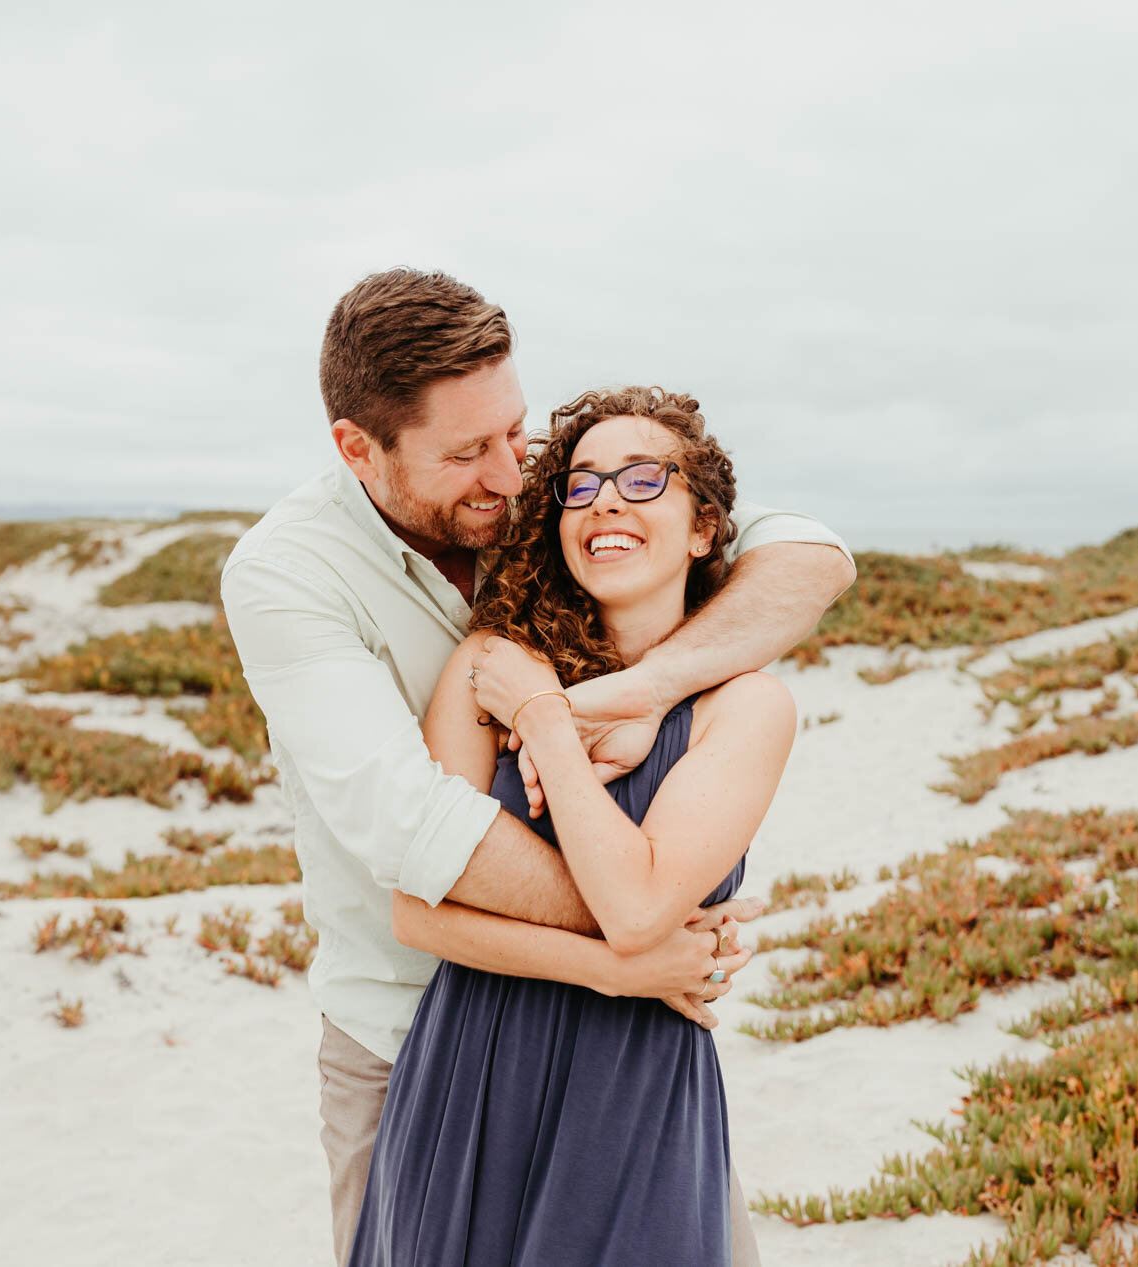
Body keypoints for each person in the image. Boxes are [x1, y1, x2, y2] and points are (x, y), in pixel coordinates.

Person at [219, 269, 855, 1265]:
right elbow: (413, 837)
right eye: (467, 451)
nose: (510, 476)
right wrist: (627, 944)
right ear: (358, 449)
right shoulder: (286, 577)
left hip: (635, 1056)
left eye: (515, 435)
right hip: (415, 1042)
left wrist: (645, 689)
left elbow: (807, 555)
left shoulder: (556, 506)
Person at [348, 386, 795, 1265]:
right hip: (473, 1069)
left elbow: (634, 907)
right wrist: (617, 970)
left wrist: (548, 722)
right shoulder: (490, 663)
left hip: (632, 1084)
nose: (608, 503)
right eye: (582, 486)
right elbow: (415, 911)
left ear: (703, 527)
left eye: (641, 477)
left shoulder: (748, 707)